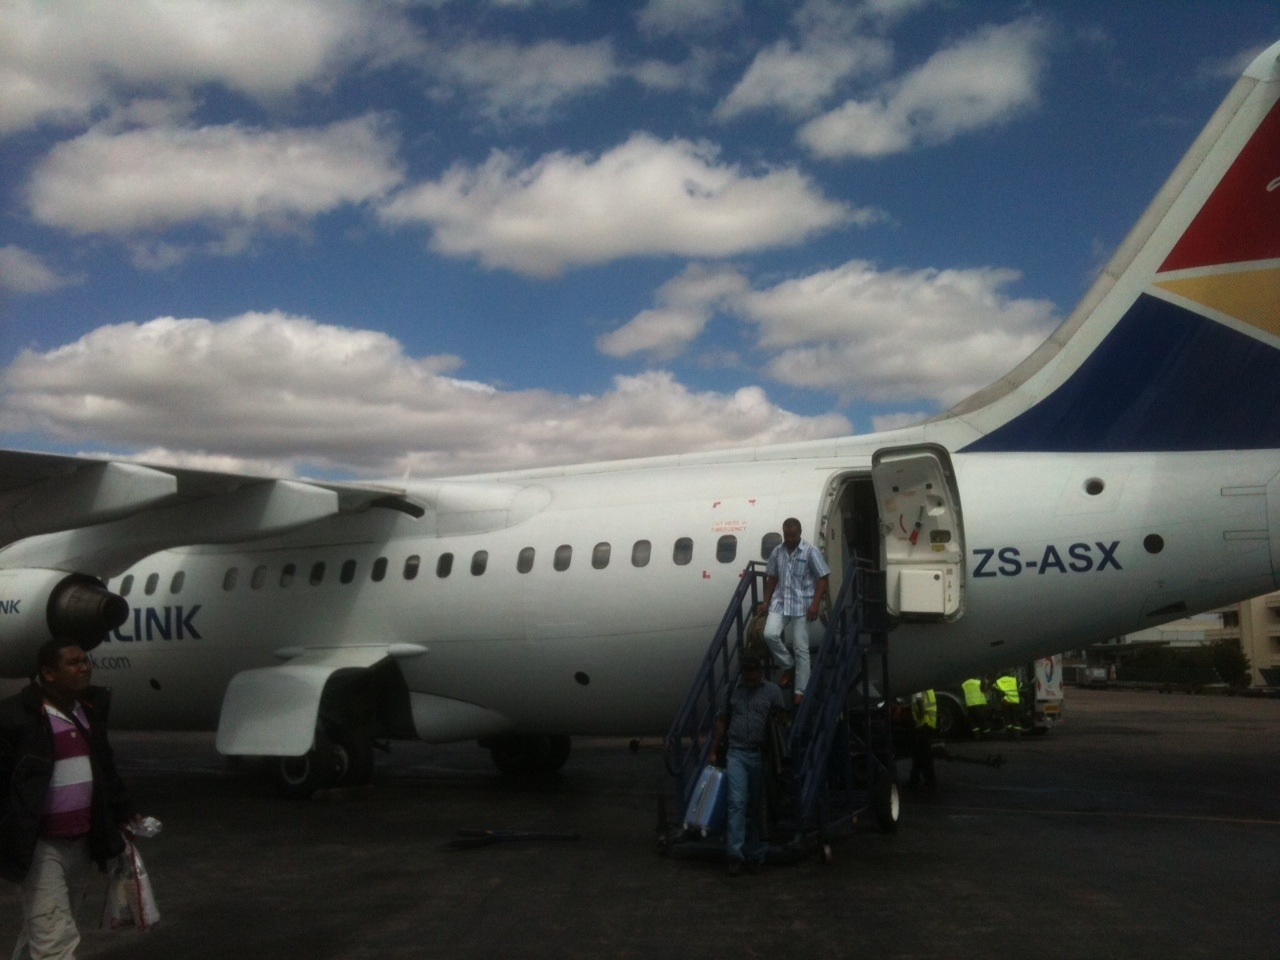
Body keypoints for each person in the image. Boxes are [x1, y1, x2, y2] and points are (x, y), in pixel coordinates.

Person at [1, 638, 136, 960]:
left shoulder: (87, 711)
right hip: (40, 847)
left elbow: (104, 767)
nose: (84, 667)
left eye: (85, 660)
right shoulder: (14, 716)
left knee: (47, 926)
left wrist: (123, 812)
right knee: (56, 940)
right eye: (73, 663)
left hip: (81, 842)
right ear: (49, 672)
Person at [710, 656, 785, 876]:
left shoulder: (772, 692)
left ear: (760, 672)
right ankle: (735, 854)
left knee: (758, 805)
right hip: (737, 753)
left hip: (762, 755)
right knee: (737, 802)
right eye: (747, 675)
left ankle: (756, 854)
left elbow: (780, 722)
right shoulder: (731, 690)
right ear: (742, 673)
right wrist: (714, 749)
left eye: (755, 675)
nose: (751, 680)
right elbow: (722, 721)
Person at [756, 518, 830, 707]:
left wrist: (816, 604)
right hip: (781, 602)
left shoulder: (810, 551)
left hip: (803, 605)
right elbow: (772, 578)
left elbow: (823, 578)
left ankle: (800, 691)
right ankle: (788, 665)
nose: (790, 539)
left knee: (800, 647)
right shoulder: (777, 552)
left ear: (800, 533)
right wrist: (766, 602)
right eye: (787, 535)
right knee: (769, 634)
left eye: (793, 535)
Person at [907, 689, 937, 792]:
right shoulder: (928, 689)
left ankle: (929, 781)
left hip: (923, 725)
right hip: (929, 724)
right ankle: (914, 780)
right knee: (920, 755)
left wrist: (919, 717)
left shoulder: (918, 689)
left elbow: (920, 704)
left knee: (923, 756)